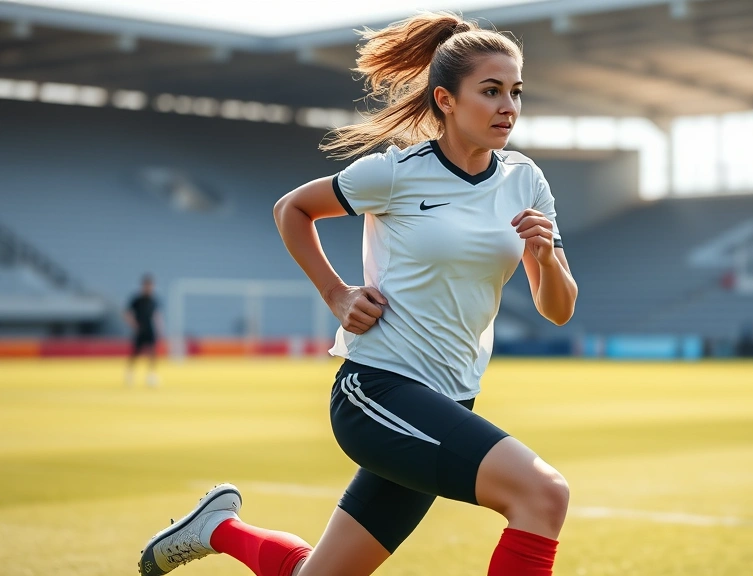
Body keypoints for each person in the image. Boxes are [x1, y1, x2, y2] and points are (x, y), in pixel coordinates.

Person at [138, 11, 577, 576]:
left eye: (515, 92)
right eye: (490, 91)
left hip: (451, 403)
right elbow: (291, 209)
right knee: (543, 495)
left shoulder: (527, 180)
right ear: (445, 99)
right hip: (378, 392)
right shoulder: (396, 173)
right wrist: (336, 294)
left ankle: (219, 530)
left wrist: (543, 257)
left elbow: (558, 309)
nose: (507, 106)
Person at [125, 273, 161, 386]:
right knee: (135, 353)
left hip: (150, 329)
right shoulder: (137, 300)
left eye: (151, 286)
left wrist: (159, 328)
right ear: (143, 286)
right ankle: (130, 374)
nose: (149, 288)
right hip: (140, 329)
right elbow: (127, 313)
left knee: (152, 353)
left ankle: (151, 375)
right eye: (147, 285)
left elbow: (156, 315)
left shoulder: (154, 300)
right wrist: (134, 324)